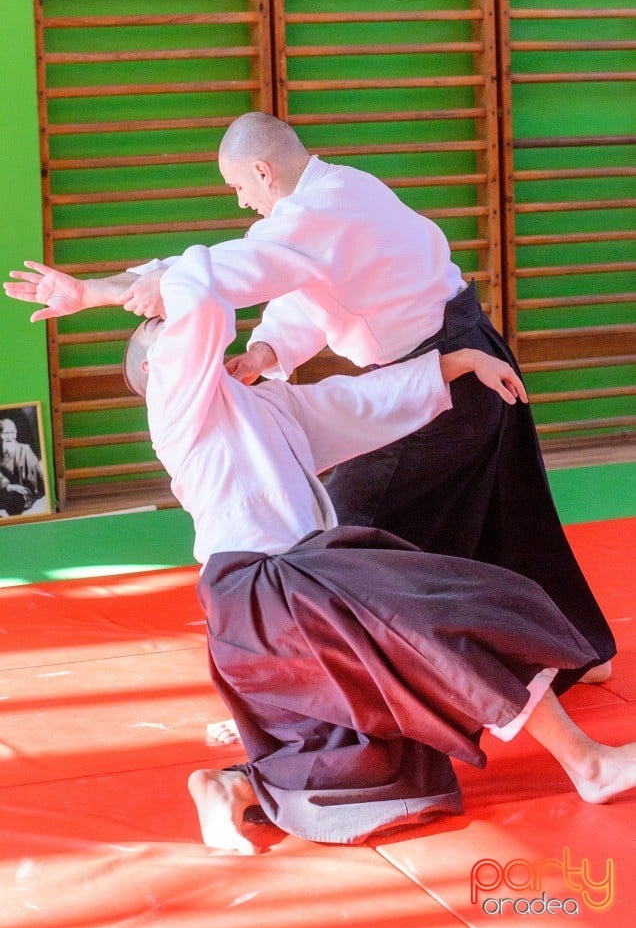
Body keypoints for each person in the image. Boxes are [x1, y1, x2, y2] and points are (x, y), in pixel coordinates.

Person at [6, 246, 635, 857]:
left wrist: (462, 359)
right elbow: (197, 306)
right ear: (157, 371)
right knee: (456, 615)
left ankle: (229, 785)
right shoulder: (176, 412)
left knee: (374, 745)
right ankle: (589, 763)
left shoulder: (267, 404)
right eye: (169, 337)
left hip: (286, 595)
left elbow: (361, 403)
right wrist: (103, 292)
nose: (192, 337)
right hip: (266, 585)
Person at [4, 112, 614, 691]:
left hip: (447, 366)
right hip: (457, 357)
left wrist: (95, 292)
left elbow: (222, 275)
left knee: (347, 538)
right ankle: (570, 653)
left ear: (263, 173)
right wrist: (267, 354)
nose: (241, 201)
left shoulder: (323, 208)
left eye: (238, 186)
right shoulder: (333, 198)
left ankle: (367, 685)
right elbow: (303, 290)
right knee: (503, 509)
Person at [0, 418, 46, 516]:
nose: (9, 437)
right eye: (5, 433)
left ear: (16, 433)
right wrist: (9, 487)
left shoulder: (26, 450)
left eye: (12, 433)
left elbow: (35, 480)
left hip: (23, 496)